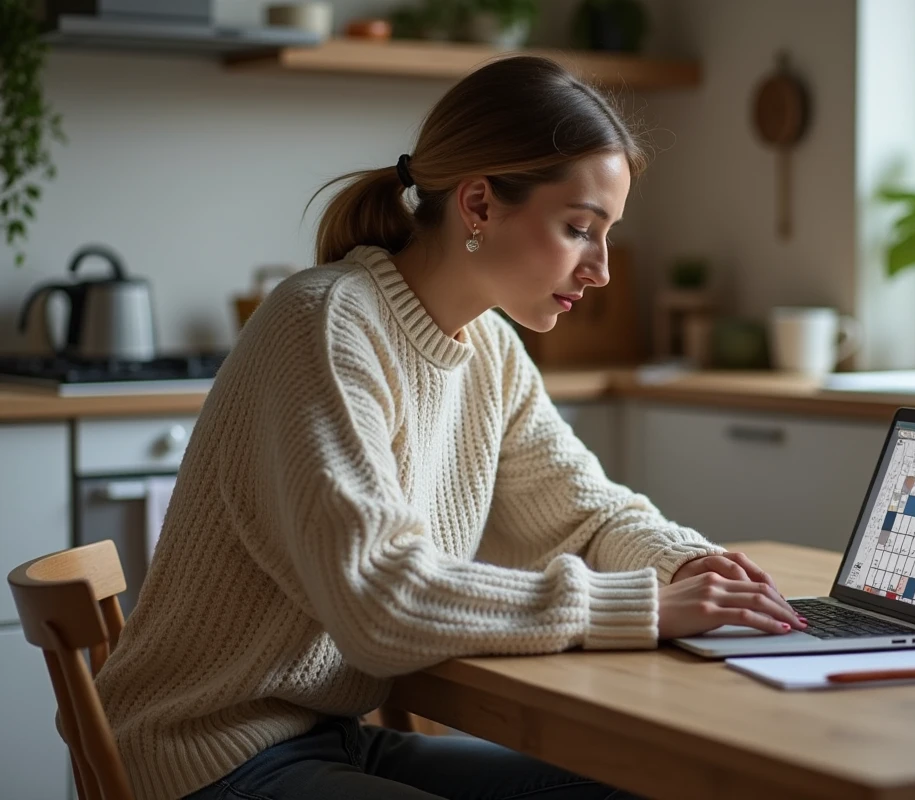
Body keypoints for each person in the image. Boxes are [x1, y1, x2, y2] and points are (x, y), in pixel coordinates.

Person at [93, 55, 807, 800]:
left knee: (641, 787)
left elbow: (581, 514)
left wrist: (688, 567)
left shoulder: (488, 346)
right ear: (478, 206)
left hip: (333, 738)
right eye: (578, 229)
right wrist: (643, 608)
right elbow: (384, 598)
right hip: (206, 756)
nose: (599, 268)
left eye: (607, 235)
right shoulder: (327, 323)